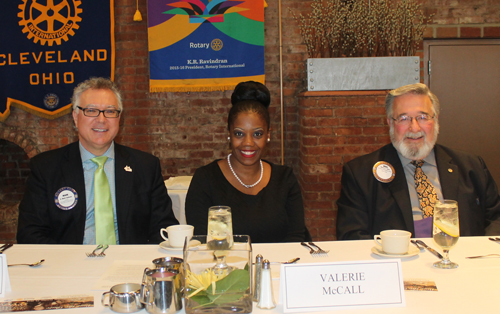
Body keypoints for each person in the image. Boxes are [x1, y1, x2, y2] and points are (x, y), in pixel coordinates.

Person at [17, 77, 178, 244]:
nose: (101, 119)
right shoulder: (46, 168)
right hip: (71, 266)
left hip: (128, 264)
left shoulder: (145, 166)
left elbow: (163, 228)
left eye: (110, 111)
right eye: (91, 110)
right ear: (75, 116)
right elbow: (30, 233)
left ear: (119, 118)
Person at [336, 83, 500, 240]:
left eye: (422, 117)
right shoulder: (360, 174)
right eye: (404, 118)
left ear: (435, 120)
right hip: (400, 264)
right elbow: (351, 236)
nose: (414, 128)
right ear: (390, 122)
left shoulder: (471, 166)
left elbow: (496, 218)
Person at [185, 82, 309, 243]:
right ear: (229, 134)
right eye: (239, 134)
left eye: (257, 134)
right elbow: (201, 241)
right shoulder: (206, 179)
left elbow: (296, 237)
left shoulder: (285, 179)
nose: (248, 143)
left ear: (268, 135)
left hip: (279, 265)